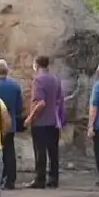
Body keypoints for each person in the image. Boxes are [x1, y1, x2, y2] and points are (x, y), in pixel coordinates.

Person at [0, 60, 25, 190]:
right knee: (9, 151)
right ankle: (11, 179)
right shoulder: (15, 85)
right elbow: (19, 107)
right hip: (10, 123)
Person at [26, 55, 64, 189]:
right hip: (53, 120)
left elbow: (40, 102)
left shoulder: (38, 80)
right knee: (53, 151)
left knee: (40, 150)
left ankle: (40, 178)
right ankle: (54, 178)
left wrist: (30, 117)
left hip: (40, 121)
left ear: (36, 64)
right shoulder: (55, 79)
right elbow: (60, 100)